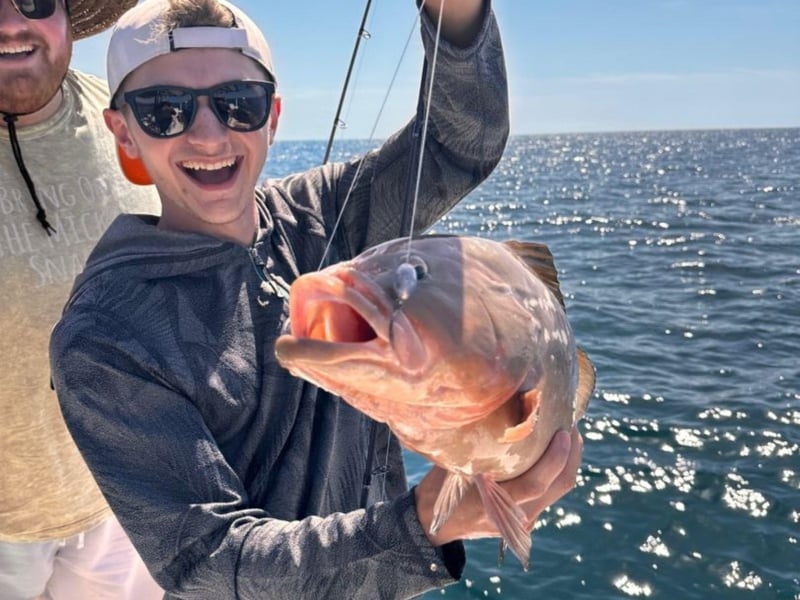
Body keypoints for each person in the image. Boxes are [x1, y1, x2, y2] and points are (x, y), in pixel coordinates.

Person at [49, 0, 584, 598]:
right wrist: (423, 525)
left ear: (271, 117)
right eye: (164, 110)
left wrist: (455, 12)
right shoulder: (105, 335)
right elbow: (206, 561)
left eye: (238, 103)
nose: (207, 134)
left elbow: (462, 143)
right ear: (122, 131)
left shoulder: (323, 213)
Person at [0, 0, 167, 598]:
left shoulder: (135, 121)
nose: (11, 24)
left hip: (127, 506)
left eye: (36, 1)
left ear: (71, 16)